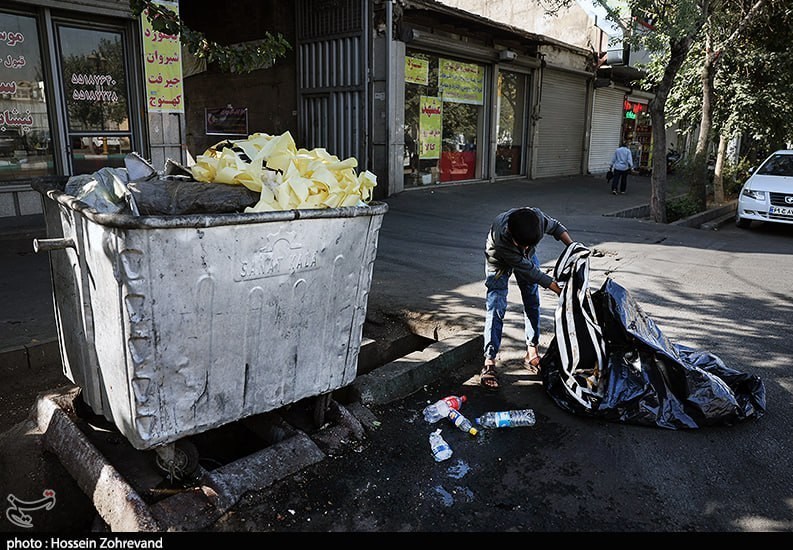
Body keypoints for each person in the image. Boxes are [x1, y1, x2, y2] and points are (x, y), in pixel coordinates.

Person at [481, 207, 573, 389]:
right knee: (496, 307)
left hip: (526, 260)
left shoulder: (536, 219)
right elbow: (531, 272)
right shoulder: (502, 236)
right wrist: (559, 290)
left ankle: (532, 351)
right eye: (520, 244)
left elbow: (556, 228)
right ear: (510, 233)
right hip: (498, 262)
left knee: (532, 302)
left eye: (528, 245)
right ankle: (489, 360)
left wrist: (573, 247)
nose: (524, 248)